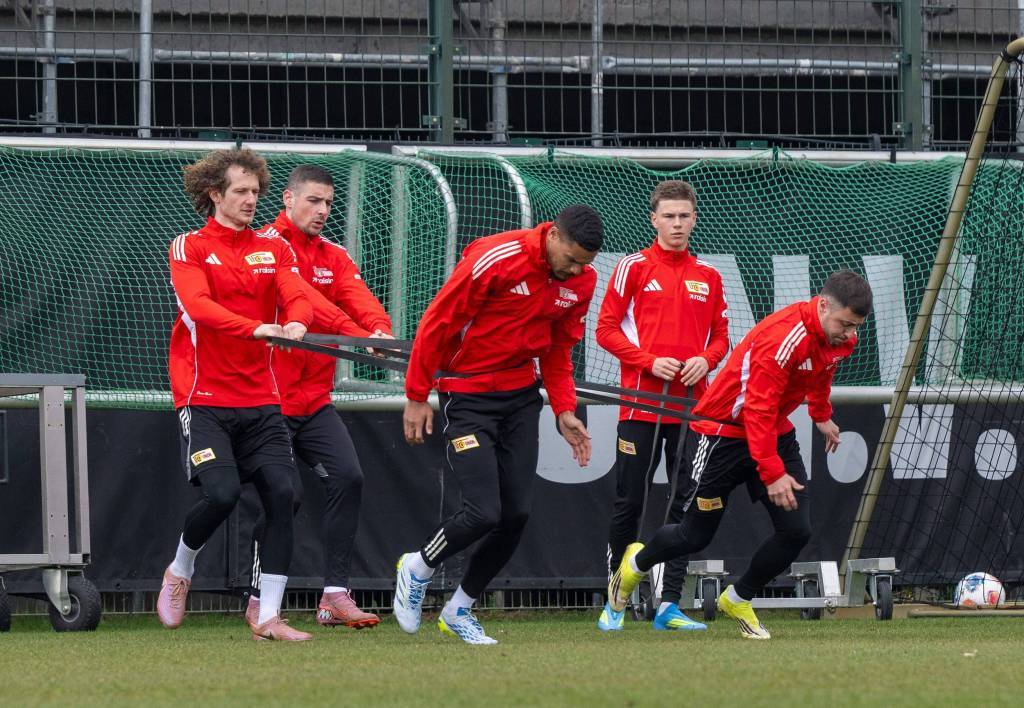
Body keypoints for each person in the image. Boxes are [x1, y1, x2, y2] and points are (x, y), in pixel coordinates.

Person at [608, 270, 872, 639]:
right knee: (694, 536)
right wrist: (772, 473)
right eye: (844, 323)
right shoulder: (782, 338)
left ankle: (739, 597)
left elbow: (820, 372)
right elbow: (756, 410)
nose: (849, 333)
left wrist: (821, 414)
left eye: (855, 326)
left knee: (797, 531)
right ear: (824, 305)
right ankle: (634, 565)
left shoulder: (838, 336)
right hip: (724, 435)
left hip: (773, 433)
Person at [393, 205, 604, 644]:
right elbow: (437, 323)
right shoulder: (497, 257)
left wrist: (564, 409)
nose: (576, 270)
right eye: (572, 259)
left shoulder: (581, 281)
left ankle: (459, 609)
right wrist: (416, 395)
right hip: (467, 397)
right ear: (554, 236)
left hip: (521, 399)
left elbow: (558, 349)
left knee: (516, 514)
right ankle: (417, 566)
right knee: (482, 512)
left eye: (585, 264)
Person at [159, 147, 314, 642]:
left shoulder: (275, 248)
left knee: (285, 496)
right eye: (241, 191)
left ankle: (267, 615)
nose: (251, 200)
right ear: (215, 194)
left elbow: (297, 295)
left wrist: (296, 321)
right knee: (222, 495)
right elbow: (199, 307)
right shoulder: (188, 246)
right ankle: (181, 569)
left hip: (262, 399)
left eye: (255, 191)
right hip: (204, 397)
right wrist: (257, 327)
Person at [246, 164, 392, 630]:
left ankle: (334, 596)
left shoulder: (334, 254)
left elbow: (355, 294)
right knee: (283, 497)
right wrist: (356, 333)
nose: (323, 210)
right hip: (268, 401)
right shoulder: (265, 246)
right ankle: (258, 599)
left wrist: (378, 330)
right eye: (313, 200)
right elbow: (311, 305)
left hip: (314, 401)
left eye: (329, 202)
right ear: (288, 200)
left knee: (349, 477)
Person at [595, 180, 729, 632]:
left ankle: (669, 604)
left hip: (692, 410)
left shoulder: (709, 275)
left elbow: (721, 338)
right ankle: (615, 603)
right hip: (641, 407)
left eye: (684, 216)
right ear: (653, 219)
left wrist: (706, 360)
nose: (676, 224)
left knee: (685, 504)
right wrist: (649, 361)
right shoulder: (632, 267)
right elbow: (605, 330)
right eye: (668, 216)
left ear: (695, 219)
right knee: (628, 503)